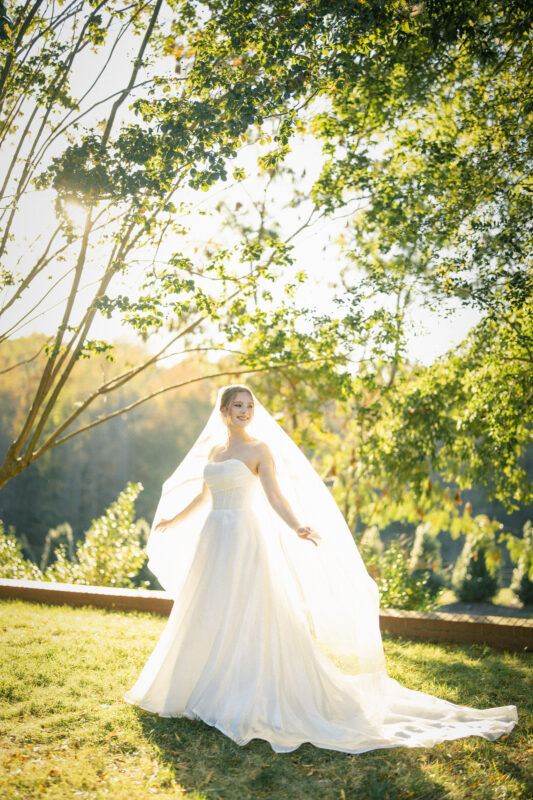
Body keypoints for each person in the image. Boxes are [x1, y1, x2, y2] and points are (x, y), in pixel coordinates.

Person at [123, 384, 518, 754]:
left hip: (245, 536)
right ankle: (194, 685)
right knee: (207, 608)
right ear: (224, 411)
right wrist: (175, 520)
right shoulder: (214, 451)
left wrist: (296, 525)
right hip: (215, 536)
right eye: (237, 406)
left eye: (249, 406)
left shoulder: (259, 449)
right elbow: (204, 494)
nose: (245, 411)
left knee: (248, 609)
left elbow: (274, 495)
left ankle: (245, 690)